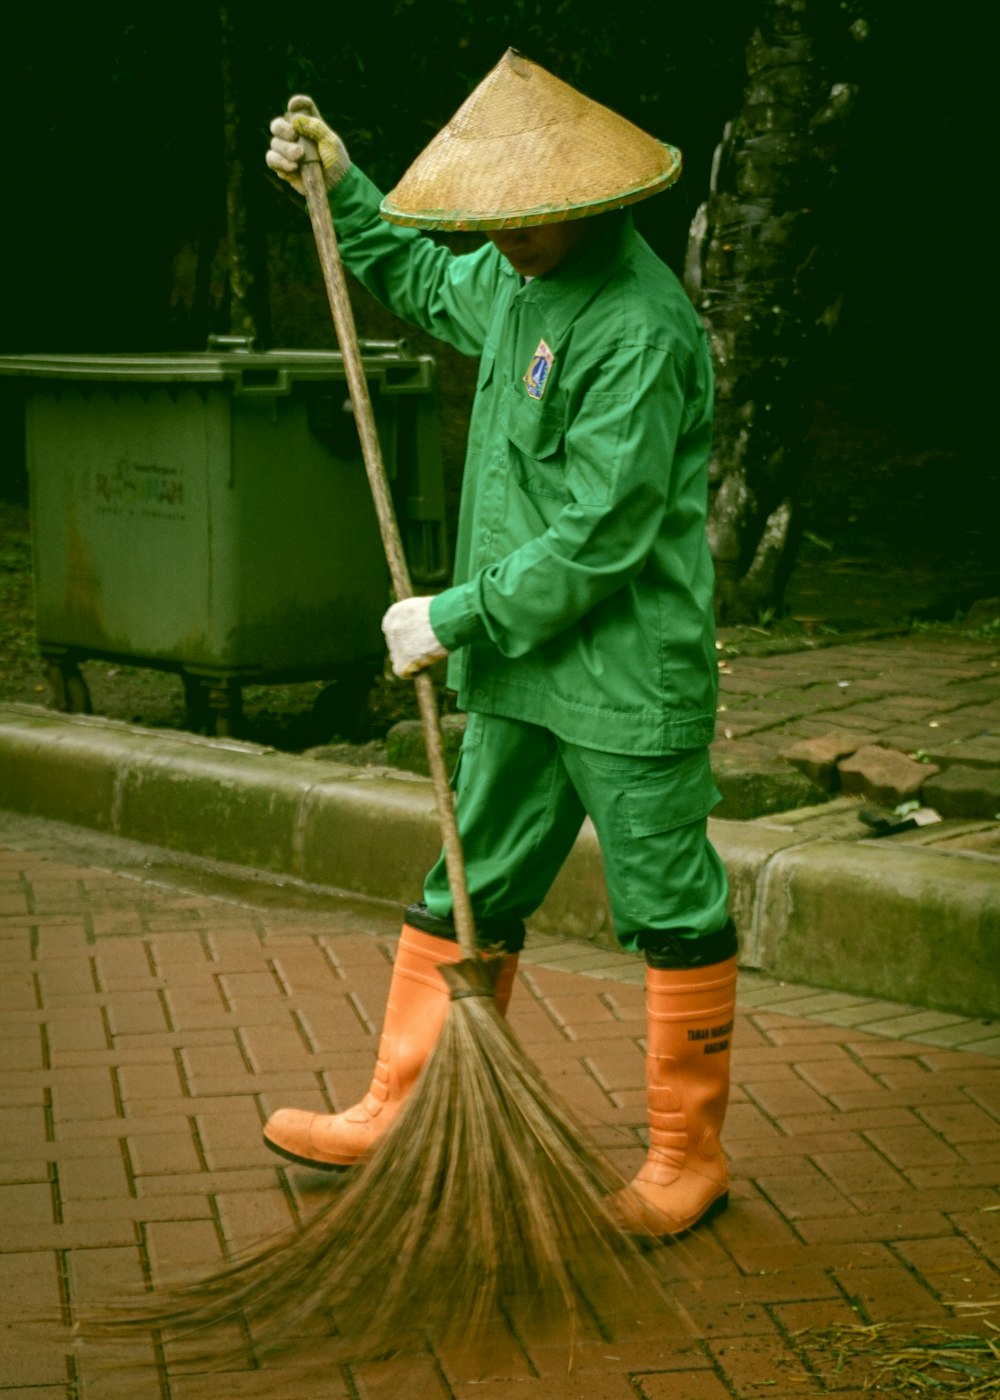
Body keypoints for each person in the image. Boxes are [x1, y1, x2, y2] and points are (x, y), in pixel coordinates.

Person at [263, 49, 738, 1238]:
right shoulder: (520, 278)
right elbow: (426, 277)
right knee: (469, 874)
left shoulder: (640, 328)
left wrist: (451, 613)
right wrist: (345, 182)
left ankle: (689, 1152)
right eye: (501, 223)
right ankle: (399, 1102)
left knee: (669, 903)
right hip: (525, 672)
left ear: (590, 202)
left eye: (528, 224)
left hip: (626, 675)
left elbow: (601, 534)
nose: (508, 241)